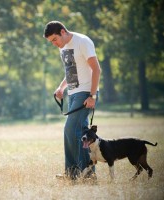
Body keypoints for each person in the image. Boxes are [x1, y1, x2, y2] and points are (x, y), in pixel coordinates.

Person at [43, 21, 101, 180]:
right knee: (81, 134)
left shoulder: (82, 41)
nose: (54, 44)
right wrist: (62, 87)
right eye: (51, 42)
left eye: (55, 39)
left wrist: (92, 95)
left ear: (62, 32)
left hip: (85, 94)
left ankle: (75, 173)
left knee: (70, 129)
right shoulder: (63, 48)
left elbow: (96, 69)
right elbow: (71, 72)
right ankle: (84, 174)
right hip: (73, 94)